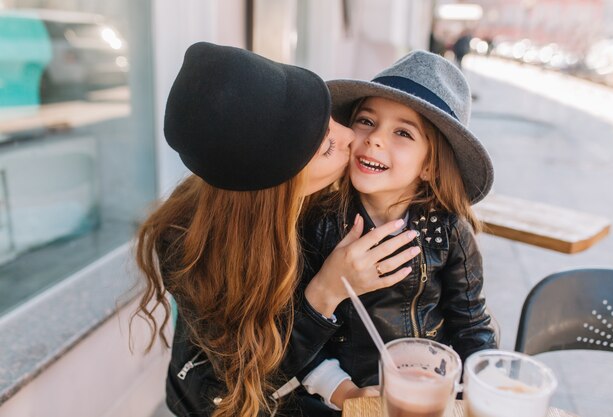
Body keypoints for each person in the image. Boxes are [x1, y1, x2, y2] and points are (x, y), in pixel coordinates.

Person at [132, 42, 420, 417]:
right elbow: (246, 381)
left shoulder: (311, 206)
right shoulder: (187, 243)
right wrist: (324, 293)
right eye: (328, 145)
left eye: (330, 119)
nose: (350, 135)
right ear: (279, 191)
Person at [296, 50, 498, 413]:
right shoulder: (319, 222)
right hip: (343, 397)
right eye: (366, 121)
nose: (374, 139)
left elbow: (471, 326)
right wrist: (342, 391)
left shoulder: (448, 232)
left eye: (403, 132)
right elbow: (296, 329)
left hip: (425, 394)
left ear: (430, 167)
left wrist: (482, 390)